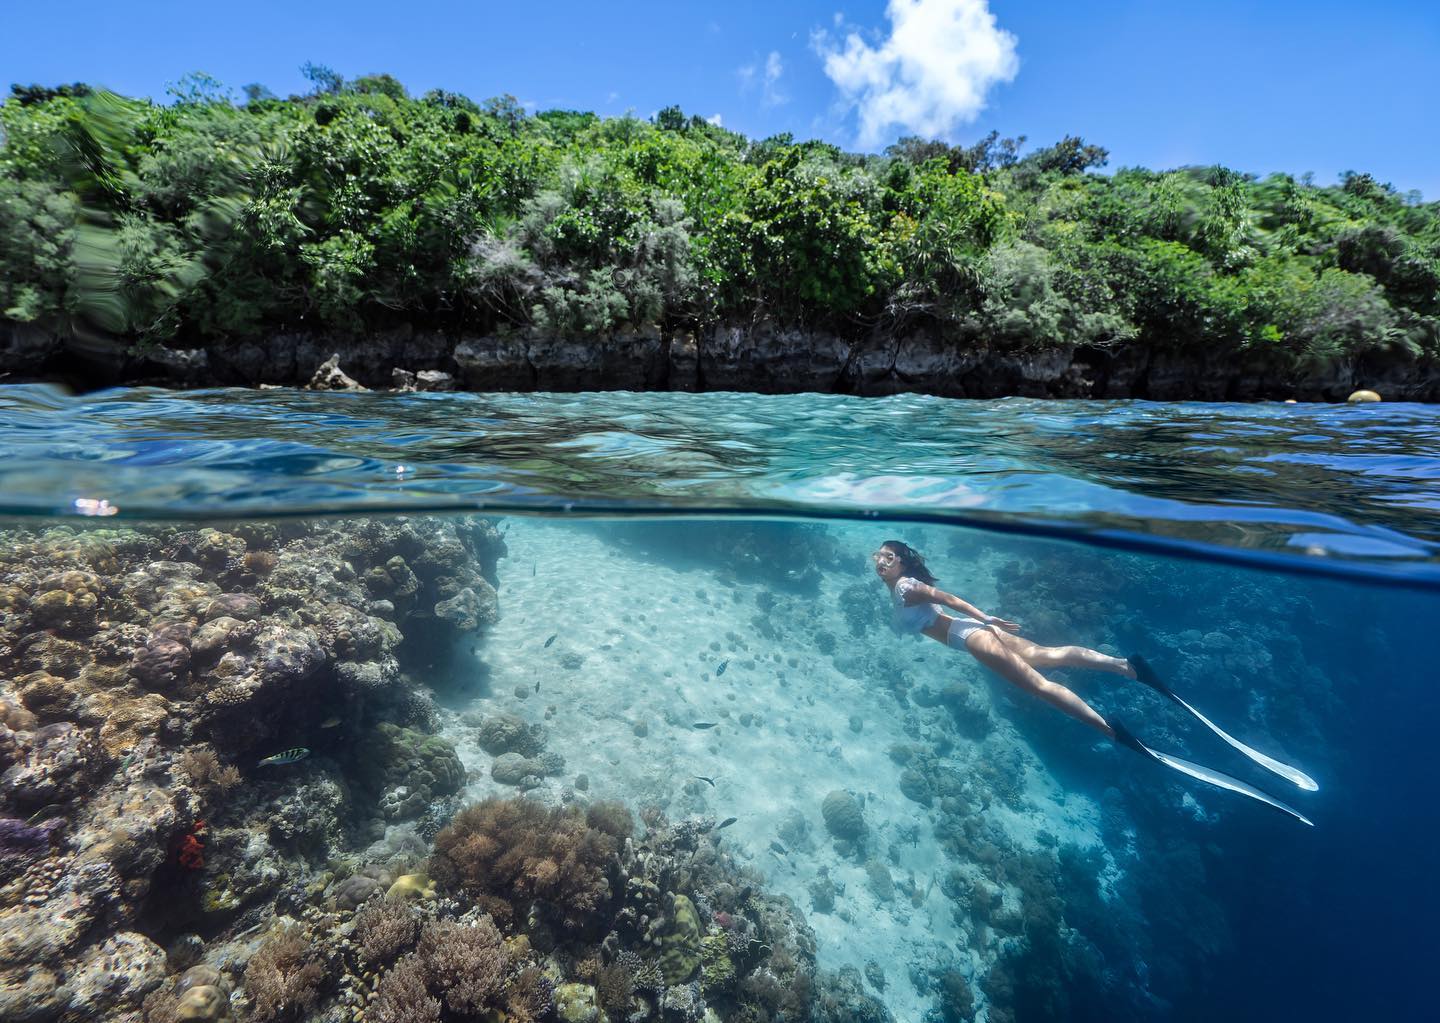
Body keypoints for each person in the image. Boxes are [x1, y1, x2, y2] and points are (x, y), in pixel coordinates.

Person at [871, 540, 1317, 825]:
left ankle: (1110, 730)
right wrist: (982, 621)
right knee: (1047, 656)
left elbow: (943, 598)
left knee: (1039, 686)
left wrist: (983, 617)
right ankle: (1128, 667)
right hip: (972, 633)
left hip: (968, 636)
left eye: (887, 557)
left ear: (903, 561)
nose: (879, 562)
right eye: (877, 557)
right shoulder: (904, 584)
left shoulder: (907, 587)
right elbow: (940, 600)